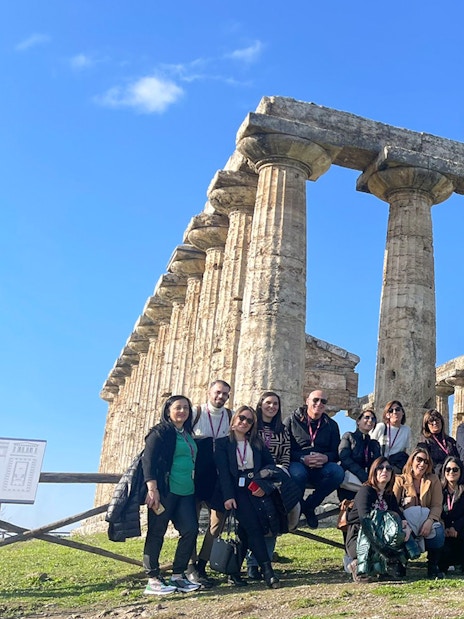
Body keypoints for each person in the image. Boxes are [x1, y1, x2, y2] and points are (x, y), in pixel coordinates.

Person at [215, 405, 281, 588]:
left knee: (246, 531)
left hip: (254, 488)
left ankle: (233, 572)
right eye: (242, 418)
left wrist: (262, 486)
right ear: (234, 419)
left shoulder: (257, 442)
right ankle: (268, 572)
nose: (244, 422)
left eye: (249, 420)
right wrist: (228, 496)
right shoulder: (222, 443)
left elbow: (270, 465)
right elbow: (223, 473)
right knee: (253, 527)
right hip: (236, 491)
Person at [142, 395, 201, 596]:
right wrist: (152, 489)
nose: (183, 411)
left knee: (191, 530)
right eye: (178, 407)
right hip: (165, 491)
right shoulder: (159, 432)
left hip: (186, 491)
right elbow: (147, 461)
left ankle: (178, 575)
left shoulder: (187, 433)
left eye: (186, 408)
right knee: (156, 532)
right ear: (168, 411)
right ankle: (152, 578)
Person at [188, 380, 232, 588]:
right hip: (195, 478)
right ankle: (190, 566)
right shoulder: (195, 413)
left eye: (225, 394)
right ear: (209, 392)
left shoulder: (230, 416)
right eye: (218, 392)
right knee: (191, 524)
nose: (221, 397)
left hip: (218, 480)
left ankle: (203, 565)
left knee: (216, 525)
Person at [246, 391, 291, 580]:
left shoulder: (282, 429)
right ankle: (251, 563)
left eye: (275, 404)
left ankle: (264, 562)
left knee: (273, 520)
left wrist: (282, 472)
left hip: (273, 480)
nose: (272, 407)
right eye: (268, 403)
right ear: (260, 404)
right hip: (253, 479)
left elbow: (286, 453)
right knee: (254, 521)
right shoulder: (250, 427)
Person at [285, 390, 344, 529]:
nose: (319, 403)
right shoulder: (291, 420)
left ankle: (310, 506)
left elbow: (336, 452)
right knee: (297, 473)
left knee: (338, 472)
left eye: (323, 401)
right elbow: (285, 448)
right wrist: (302, 458)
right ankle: (298, 507)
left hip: (321, 466)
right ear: (307, 401)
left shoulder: (331, 424)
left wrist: (326, 458)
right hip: (299, 463)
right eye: (316, 400)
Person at [345, 457, 409, 582]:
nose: (384, 471)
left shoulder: (388, 495)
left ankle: (385, 568)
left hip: (381, 536)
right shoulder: (366, 491)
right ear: (374, 471)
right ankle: (357, 565)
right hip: (360, 536)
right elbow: (365, 519)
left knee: (400, 535)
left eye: (388, 469)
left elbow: (399, 515)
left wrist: (407, 529)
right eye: (380, 468)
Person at [393, 447, 445, 579]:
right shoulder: (400, 480)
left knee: (438, 532)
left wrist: (430, 521)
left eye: (426, 462)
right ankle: (400, 562)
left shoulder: (433, 480)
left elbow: (437, 505)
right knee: (399, 532)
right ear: (412, 461)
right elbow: (393, 505)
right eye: (419, 460)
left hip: (426, 520)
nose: (422, 464)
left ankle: (433, 565)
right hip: (406, 521)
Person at [338, 409, 381, 501]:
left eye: (373, 419)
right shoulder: (348, 436)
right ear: (358, 421)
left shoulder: (374, 444)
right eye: (367, 417)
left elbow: (377, 463)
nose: (370, 420)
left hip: (367, 483)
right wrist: (362, 476)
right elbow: (344, 457)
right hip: (349, 482)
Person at [370, 400, 411, 474]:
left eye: (398, 409)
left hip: (395, 466)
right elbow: (369, 445)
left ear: (403, 412)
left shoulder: (406, 430)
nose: (394, 412)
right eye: (391, 410)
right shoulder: (381, 427)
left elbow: (404, 450)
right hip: (379, 464)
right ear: (387, 415)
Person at [438, 455, 464, 574]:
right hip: (445, 531)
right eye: (448, 469)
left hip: (460, 530)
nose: (451, 472)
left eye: (455, 469)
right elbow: (436, 510)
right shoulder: (439, 490)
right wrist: (446, 527)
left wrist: (455, 527)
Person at [417, 409, 459, 476]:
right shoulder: (424, 442)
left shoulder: (450, 441)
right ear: (426, 425)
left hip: (452, 475)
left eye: (437, 420)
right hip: (435, 476)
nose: (435, 423)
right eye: (431, 421)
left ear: (441, 421)